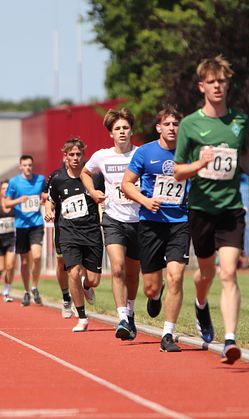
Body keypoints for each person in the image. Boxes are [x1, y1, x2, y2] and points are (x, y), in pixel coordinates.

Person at [172, 55, 249, 364]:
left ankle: (230, 340)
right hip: (200, 209)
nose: (218, 87)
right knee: (205, 274)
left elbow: (245, 152)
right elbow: (177, 171)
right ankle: (200, 304)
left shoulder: (239, 121)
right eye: (212, 82)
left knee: (229, 273)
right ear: (202, 87)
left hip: (230, 209)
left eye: (222, 81)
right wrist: (199, 163)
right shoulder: (190, 124)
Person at [122, 106, 191, 352]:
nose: (172, 128)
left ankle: (167, 335)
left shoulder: (188, 151)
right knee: (151, 287)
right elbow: (126, 184)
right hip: (151, 223)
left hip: (179, 222)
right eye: (168, 124)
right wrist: (144, 200)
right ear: (159, 128)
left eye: (176, 124)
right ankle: (155, 294)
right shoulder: (145, 152)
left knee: (176, 276)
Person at [82, 107, 142, 342]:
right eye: (117, 128)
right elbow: (86, 173)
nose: (122, 132)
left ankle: (131, 310)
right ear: (111, 133)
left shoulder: (140, 154)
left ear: (131, 130)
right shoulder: (102, 156)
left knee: (133, 274)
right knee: (117, 268)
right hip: (113, 219)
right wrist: (93, 191)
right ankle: (122, 319)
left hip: (138, 219)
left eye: (125, 128)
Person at [46, 138, 102, 332]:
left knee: (93, 279)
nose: (76, 158)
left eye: (79, 154)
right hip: (68, 232)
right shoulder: (58, 178)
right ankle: (82, 317)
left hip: (92, 232)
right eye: (72, 155)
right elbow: (50, 200)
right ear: (66, 157)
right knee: (74, 272)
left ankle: (87, 287)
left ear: (83, 156)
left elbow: (104, 194)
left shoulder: (94, 177)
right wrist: (49, 210)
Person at [4, 155, 47, 306]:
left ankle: (34, 286)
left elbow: (45, 194)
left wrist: (44, 198)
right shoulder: (14, 182)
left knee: (36, 256)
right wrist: (19, 200)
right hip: (21, 225)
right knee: (24, 262)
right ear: (20, 167)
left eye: (30, 165)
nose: (28, 167)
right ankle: (26, 290)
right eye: (25, 165)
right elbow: (6, 203)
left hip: (36, 223)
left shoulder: (40, 179)